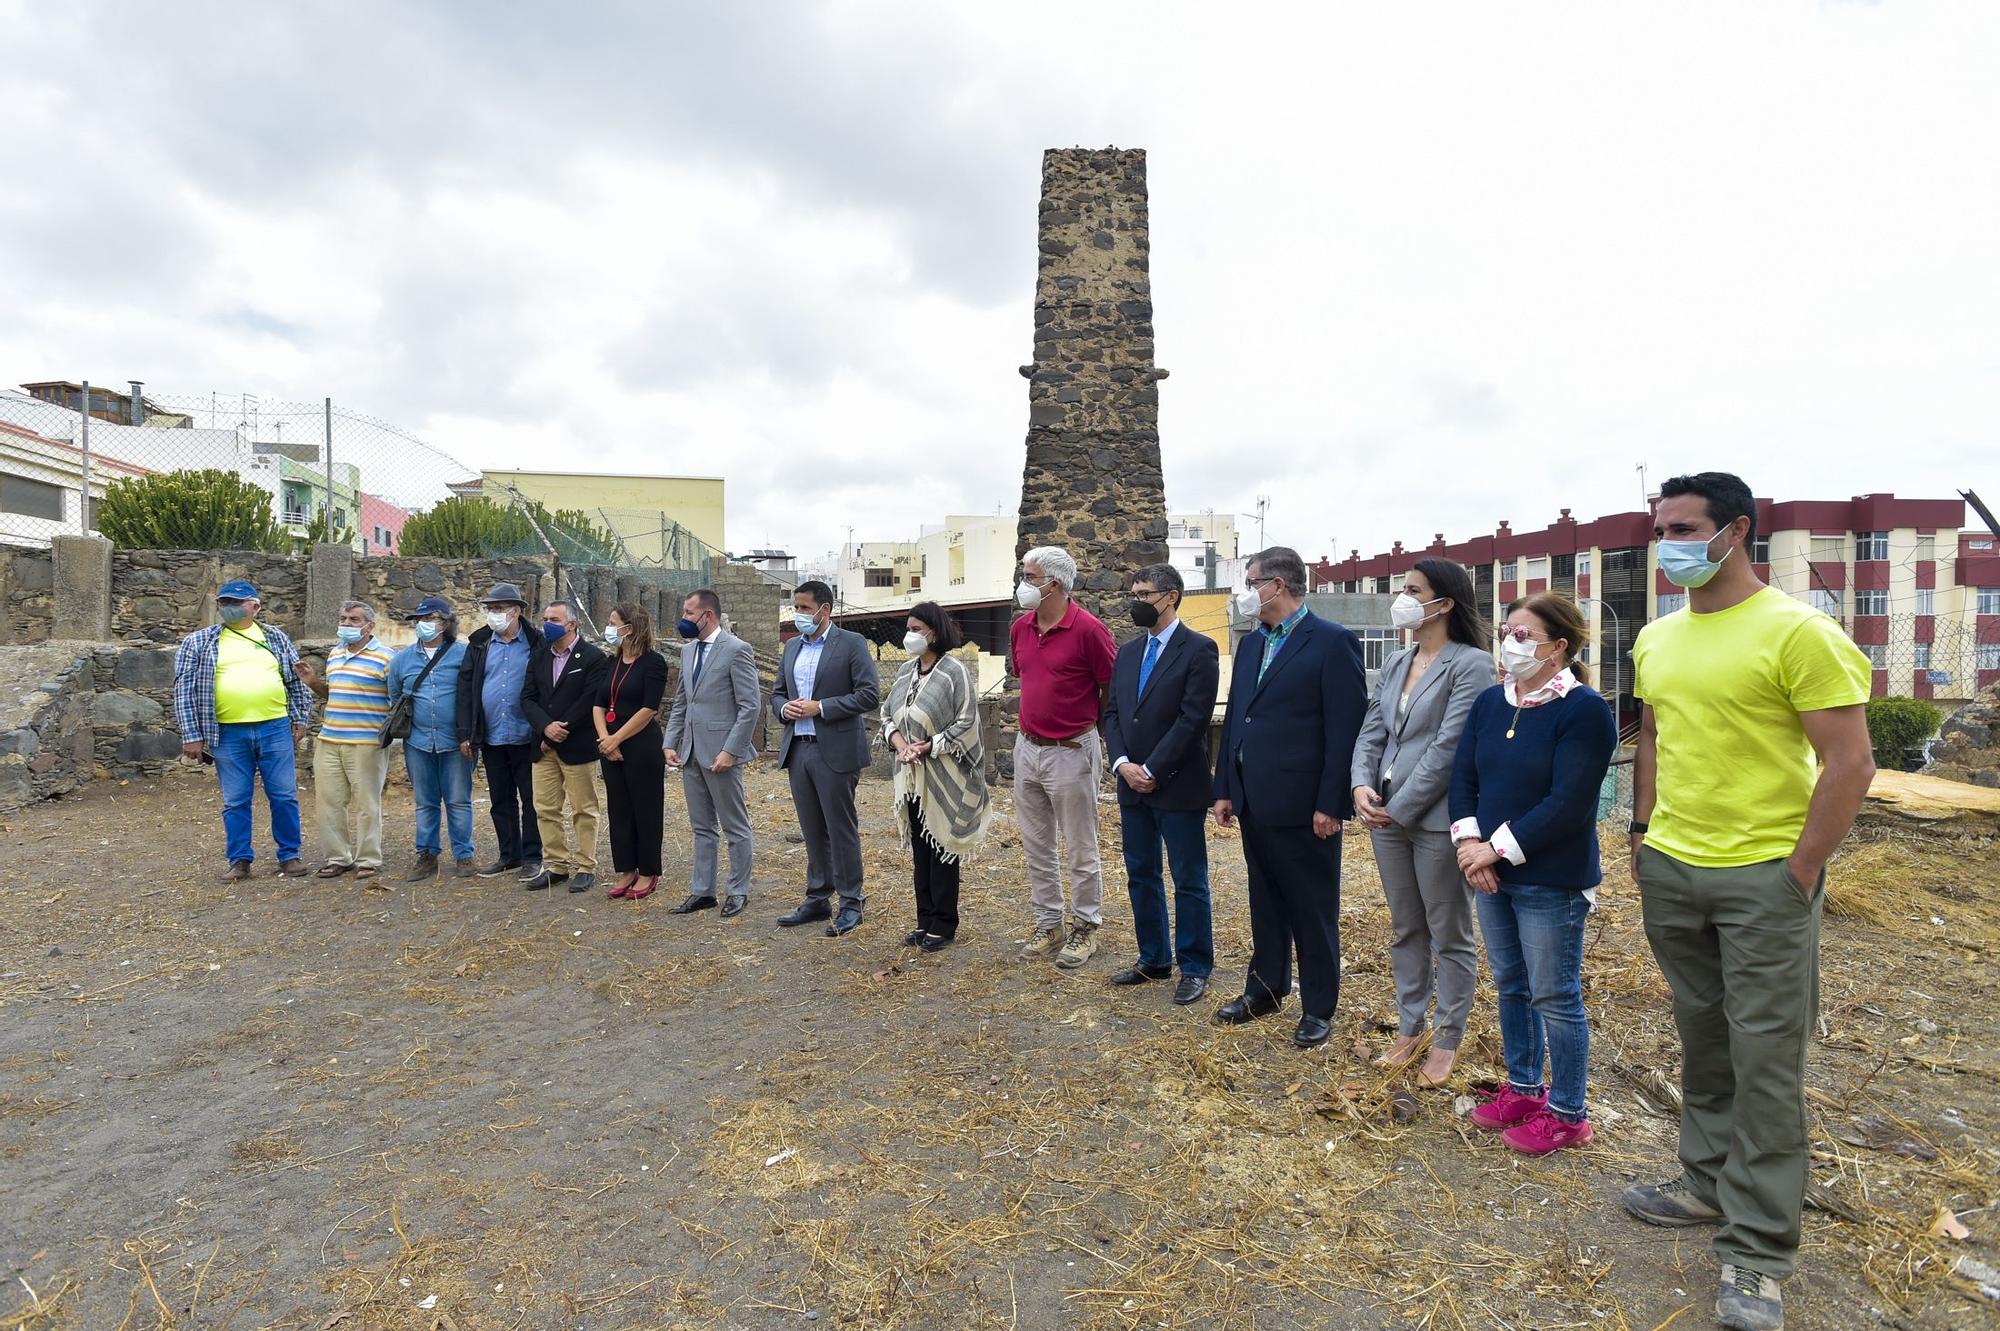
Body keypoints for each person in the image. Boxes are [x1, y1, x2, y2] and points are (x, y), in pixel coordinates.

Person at [1623, 472, 1874, 1331]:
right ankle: (1704, 1181)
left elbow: (1851, 764)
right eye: (1660, 529)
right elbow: (1654, 733)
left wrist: (1800, 870)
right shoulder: (1657, 638)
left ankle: (1760, 1249)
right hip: (1674, 867)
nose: (1669, 544)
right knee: (1704, 1039)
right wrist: (1642, 833)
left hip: (1765, 877)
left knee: (1767, 1063)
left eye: (1685, 527)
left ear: (1736, 530)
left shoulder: (1799, 632)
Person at [1449, 592, 1617, 1156]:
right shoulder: (1491, 703)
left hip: (1550, 877)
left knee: (1554, 994)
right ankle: (1524, 1087)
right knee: (1512, 986)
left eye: (1523, 635)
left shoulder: (1585, 710)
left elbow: (1568, 803)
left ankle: (1568, 1112)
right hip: (1491, 870)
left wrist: (1492, 852)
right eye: (1505, 631)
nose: (1509, 644)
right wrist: (1469, 843)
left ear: (1558, 646)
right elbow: (1463, 779)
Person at [1210, 547, 1366, 1048]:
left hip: (1305, 805)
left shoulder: (1332, 642)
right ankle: (1267, 988)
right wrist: (1225, 788)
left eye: (1251, 581)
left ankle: (1319, 1006)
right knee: (1266, 899)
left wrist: (1331, 803)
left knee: (1312, 907)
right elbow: (1237, 716)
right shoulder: (1254, 645)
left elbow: (1345, 730)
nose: (1246, 592)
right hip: (1255, 797)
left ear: (1278, 585)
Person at [1350, 558, 1493, 1085]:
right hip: (1385, 815)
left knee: (1448, 931)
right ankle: (1410, 1028)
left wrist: (1399, 807)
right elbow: (1372, 731)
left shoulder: (1471, 665)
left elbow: (1448, 749)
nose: (1401, 598)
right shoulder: (1395, 660)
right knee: (1406, 926)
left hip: (1433, 820)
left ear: (1445, 602)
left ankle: (1447, 1038)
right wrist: (1360, 785)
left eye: (1412, 590)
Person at [1101, 564, 1220, 1004]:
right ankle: (1153, 958)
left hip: (1176, 785)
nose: (1136, 601)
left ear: (1170, 596)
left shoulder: (1199, 650)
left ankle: (1194, 965)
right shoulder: (1129, 653)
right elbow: (1112, 713)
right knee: (1141, 873)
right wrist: (1123, 764)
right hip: (1131, 784)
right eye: (1133, 592)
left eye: (1144, 593)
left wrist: (1153, 769)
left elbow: (1193, 720)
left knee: (1188, 878)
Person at [1009, 545, 1118, 970]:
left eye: (1030, 576)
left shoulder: (1090, 630)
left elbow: (1110, 688)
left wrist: (1101, 740)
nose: (1023, 584)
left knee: (1080, 845)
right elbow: (1026, 678)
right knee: (1037, 844)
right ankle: (1048, 923)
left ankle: (1086, 926)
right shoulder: (1021, 628)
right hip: (1028, 747)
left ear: (1054, 583)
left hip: (1072, 749)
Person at [173, 580, 316, 881]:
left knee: (284, 795)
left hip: (275, 727)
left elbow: (296, 680)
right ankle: (239, 860)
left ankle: (289, 855)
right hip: (227, 732)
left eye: (236, 603)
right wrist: (191, 735)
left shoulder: (275, 637)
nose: (229, 608)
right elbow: (183, 690)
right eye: (224, 603)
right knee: (235, 799)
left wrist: (301, 717)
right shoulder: (198, 642)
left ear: (255, 606)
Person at [881, 601, 991, 951]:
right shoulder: (905, 673)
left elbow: (966, 721)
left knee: (942, 846)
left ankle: (944, 923)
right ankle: (924, 918)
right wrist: (901, 744)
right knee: (920, 850)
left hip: (945, 773)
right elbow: (887, 715)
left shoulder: (953, 672)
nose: (910, 635)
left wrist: (927, 746)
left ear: (935, 632)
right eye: (908, 628)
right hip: (911, 776)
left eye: (917, 629)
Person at [772, 580, 880, 936]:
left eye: (804, 608)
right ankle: (818, 897)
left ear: (825, 609)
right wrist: (784, 707)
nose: (798, 614)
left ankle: (851, 901)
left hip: (834, 748)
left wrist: (823, 707)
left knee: (840, 828)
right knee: (812, 829)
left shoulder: (850, 644)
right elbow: (777, 693)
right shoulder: (791, 649)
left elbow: (868, 695)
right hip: (799, 748)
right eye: (795, 607)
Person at [663, 588, 760, 918]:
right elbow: (682, 702)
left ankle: (738, 890)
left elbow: (750, 707)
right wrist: (669, 742)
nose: (684, 619)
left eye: (689, 613)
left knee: (735, 827)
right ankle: (703, 891)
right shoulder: (689, 651)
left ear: (708, 616)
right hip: (691, 752)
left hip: (721, 755)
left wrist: (731, 751)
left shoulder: (736, 650)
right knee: (702, 827)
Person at [295, 600, 394, 882]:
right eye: (343, 619)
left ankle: (368, 860)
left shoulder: (387, 658)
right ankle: (338, 857)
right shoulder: (336, 653)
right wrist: (314, 683)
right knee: (329, 803)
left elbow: (397, 699)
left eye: (353, 619)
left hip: (366, 742)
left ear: (369, 626)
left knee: (366, 803)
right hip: (329, 738)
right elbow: (333, 694)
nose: (346, 624)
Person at [457, 583, 547, 879]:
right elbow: (466, 690)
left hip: (527, 735)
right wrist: (466, 733)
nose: (495, 614)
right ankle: (509, 855)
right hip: (492, 734)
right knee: (500, 799)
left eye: (501, 608)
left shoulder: (537, 643)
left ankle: (533, 856)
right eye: (491, 609)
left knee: (532, 800)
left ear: (518, 610)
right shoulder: (480, 644)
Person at [520, 599, 608, 894]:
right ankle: (556, 865)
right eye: (545, 618)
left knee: (583, 808)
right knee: (545, 807)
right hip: (543, 746)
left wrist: (560, 729)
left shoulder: (593, 657)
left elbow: (590, 700)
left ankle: (586, 866)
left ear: (572, 624)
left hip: (577, 745)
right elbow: (527, 697)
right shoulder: (540, 655)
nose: (547, 624)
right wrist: (545, 728)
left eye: (554, 619)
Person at [387, 598, 477, 880]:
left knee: (459, 800)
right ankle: (427, 855)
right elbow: (395, 697)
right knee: (425, 801)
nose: (424, 624)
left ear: (446, 623)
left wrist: (470, 736)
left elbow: (473, 697)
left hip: (456, 741)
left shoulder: (463, 655)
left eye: (431, 618)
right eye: (420, 619)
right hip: (418, 741)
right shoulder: (402, 659)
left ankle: (464, 855)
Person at [594, 603, 669, 901]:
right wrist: (604, 739)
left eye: (613, 622)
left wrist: (616, 739)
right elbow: (599, 704)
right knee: (620, 809)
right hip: (609, 746)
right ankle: (626, 868)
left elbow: (648, 708)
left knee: (646, 809)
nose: (609, 628)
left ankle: (649, 871)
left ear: (630, 627)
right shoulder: (611, 662)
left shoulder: (654, 663)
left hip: (641, 746)